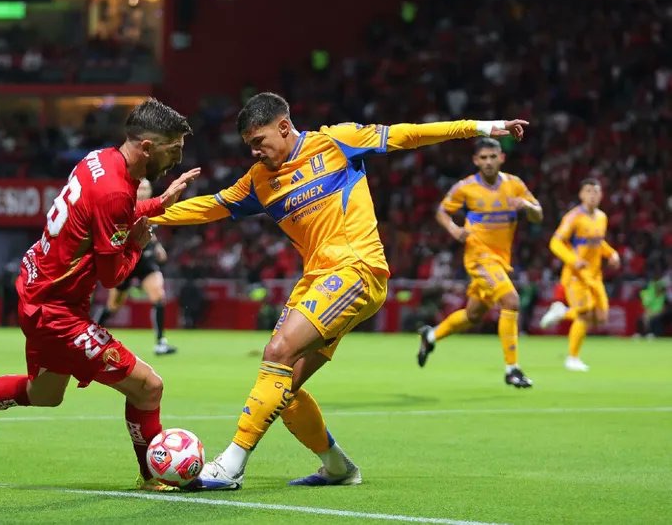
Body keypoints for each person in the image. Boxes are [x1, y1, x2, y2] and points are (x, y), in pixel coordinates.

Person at [150, 92, 527, 490]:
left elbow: (410, 134)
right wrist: (148, 214)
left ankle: (230, 466)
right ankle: (338, 468)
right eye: (249, 145)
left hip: (357, 271)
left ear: (284, 127)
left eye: (259, 141)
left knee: (277, 352)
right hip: (316, 281)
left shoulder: (336, 142)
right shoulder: (259, 181)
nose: (255, 152)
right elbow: (211, 206)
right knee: (282, 388)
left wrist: (483, 127)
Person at [0, 99, 200, 492]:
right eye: (173, 149)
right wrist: (136, 243)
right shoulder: (116, 191)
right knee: (149, 386)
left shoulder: (101, 160)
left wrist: (157, 204)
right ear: (147, 147)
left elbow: (109, 209)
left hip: (39, 290)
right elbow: (113, 276)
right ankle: (152, 476)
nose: (176, 160)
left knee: (43, 394)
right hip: (58, 312)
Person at [416, 138, 542, 388]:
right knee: (511, 301)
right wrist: (453, 229)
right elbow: (442, 211)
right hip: (479, 258)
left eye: (493, 157)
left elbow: (538, 215)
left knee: (473, 315)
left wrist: (527, 206)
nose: (488, 162)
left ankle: (430, 335)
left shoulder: (515, 184)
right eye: (483, 158)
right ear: (476, 160)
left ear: (501, 158)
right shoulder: (466, 187)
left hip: (501, 260)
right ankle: (512, 369)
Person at [539, 178, 620, 371]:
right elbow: (555, 242)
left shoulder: (601, 217)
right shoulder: (573, 217)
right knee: (585, 314)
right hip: (576, 275)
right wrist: (573, 260)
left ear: (601, 195)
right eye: (588, 191)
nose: (592, 195)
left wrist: (611, 253)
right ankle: (572, 358)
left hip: (595, 275)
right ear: (581, 194)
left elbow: (597, 242)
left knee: (601, 317)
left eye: (596, 191)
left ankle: (562, 313)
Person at [95, 178, 177, 355]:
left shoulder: (153, 208)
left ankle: (161, 342)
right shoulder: (124, 208)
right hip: (125, 260)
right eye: (140, 188)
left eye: (146, 188)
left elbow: (150, 232)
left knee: (159, 295)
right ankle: (92, 338)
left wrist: (157, 246)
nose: (143, 191)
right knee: (113, 306)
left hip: (145, 260)